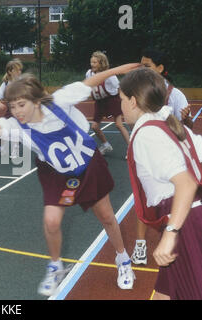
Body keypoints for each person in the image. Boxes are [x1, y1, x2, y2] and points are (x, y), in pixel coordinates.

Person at [0, 63, 140, 297]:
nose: (17, 111)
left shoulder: (60, 101)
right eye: (12, 106)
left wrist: (118, 70)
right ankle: (56, 266)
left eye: (21, 105)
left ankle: (123, 258)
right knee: (51, 221)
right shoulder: (16, 127)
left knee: (106, 216)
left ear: (36, 101)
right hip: (55, 171)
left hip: (87, 162)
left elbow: (90, 82)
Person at [121, 67, 202, 300]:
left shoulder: (147, 134)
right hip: (189, 217)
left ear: (133, 101)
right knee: (165, 293)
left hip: (183, 222)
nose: (121, 106)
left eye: (122, 100)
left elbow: (186, 184)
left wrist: (170, 233)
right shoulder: (170, 125)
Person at [131, 48, 193, 265]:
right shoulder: (139, 93)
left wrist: (186, 120)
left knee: (175, 199)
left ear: (160, 69)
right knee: (142, 198)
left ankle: (176, 236)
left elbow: (187, 132)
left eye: (146, 65)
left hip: (171, 159)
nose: (142, 69)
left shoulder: (175, 95)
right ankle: (140, 246)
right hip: (149, 157)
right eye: (140, 65)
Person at [85, 51, 130, 156]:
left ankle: (131, 149)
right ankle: (106, 145)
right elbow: (89, 85)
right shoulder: (89, 73)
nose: (92, 64)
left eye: (95, 62)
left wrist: (123, 101)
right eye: (91, 62)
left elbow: (119, 88)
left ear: (101, 63)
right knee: (94, 127)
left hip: (112, 100)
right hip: (99, 102)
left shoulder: (109, 75)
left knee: (119, 125)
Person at [0, 58, 23, 158]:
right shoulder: (5, 84)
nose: (19, 72)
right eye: (17, 69)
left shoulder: (23, 82)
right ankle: (0, 149)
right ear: (10, 71)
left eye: (20, 70)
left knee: (16, 130)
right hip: (10, 111)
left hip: (22, 110)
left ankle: (15, 150)